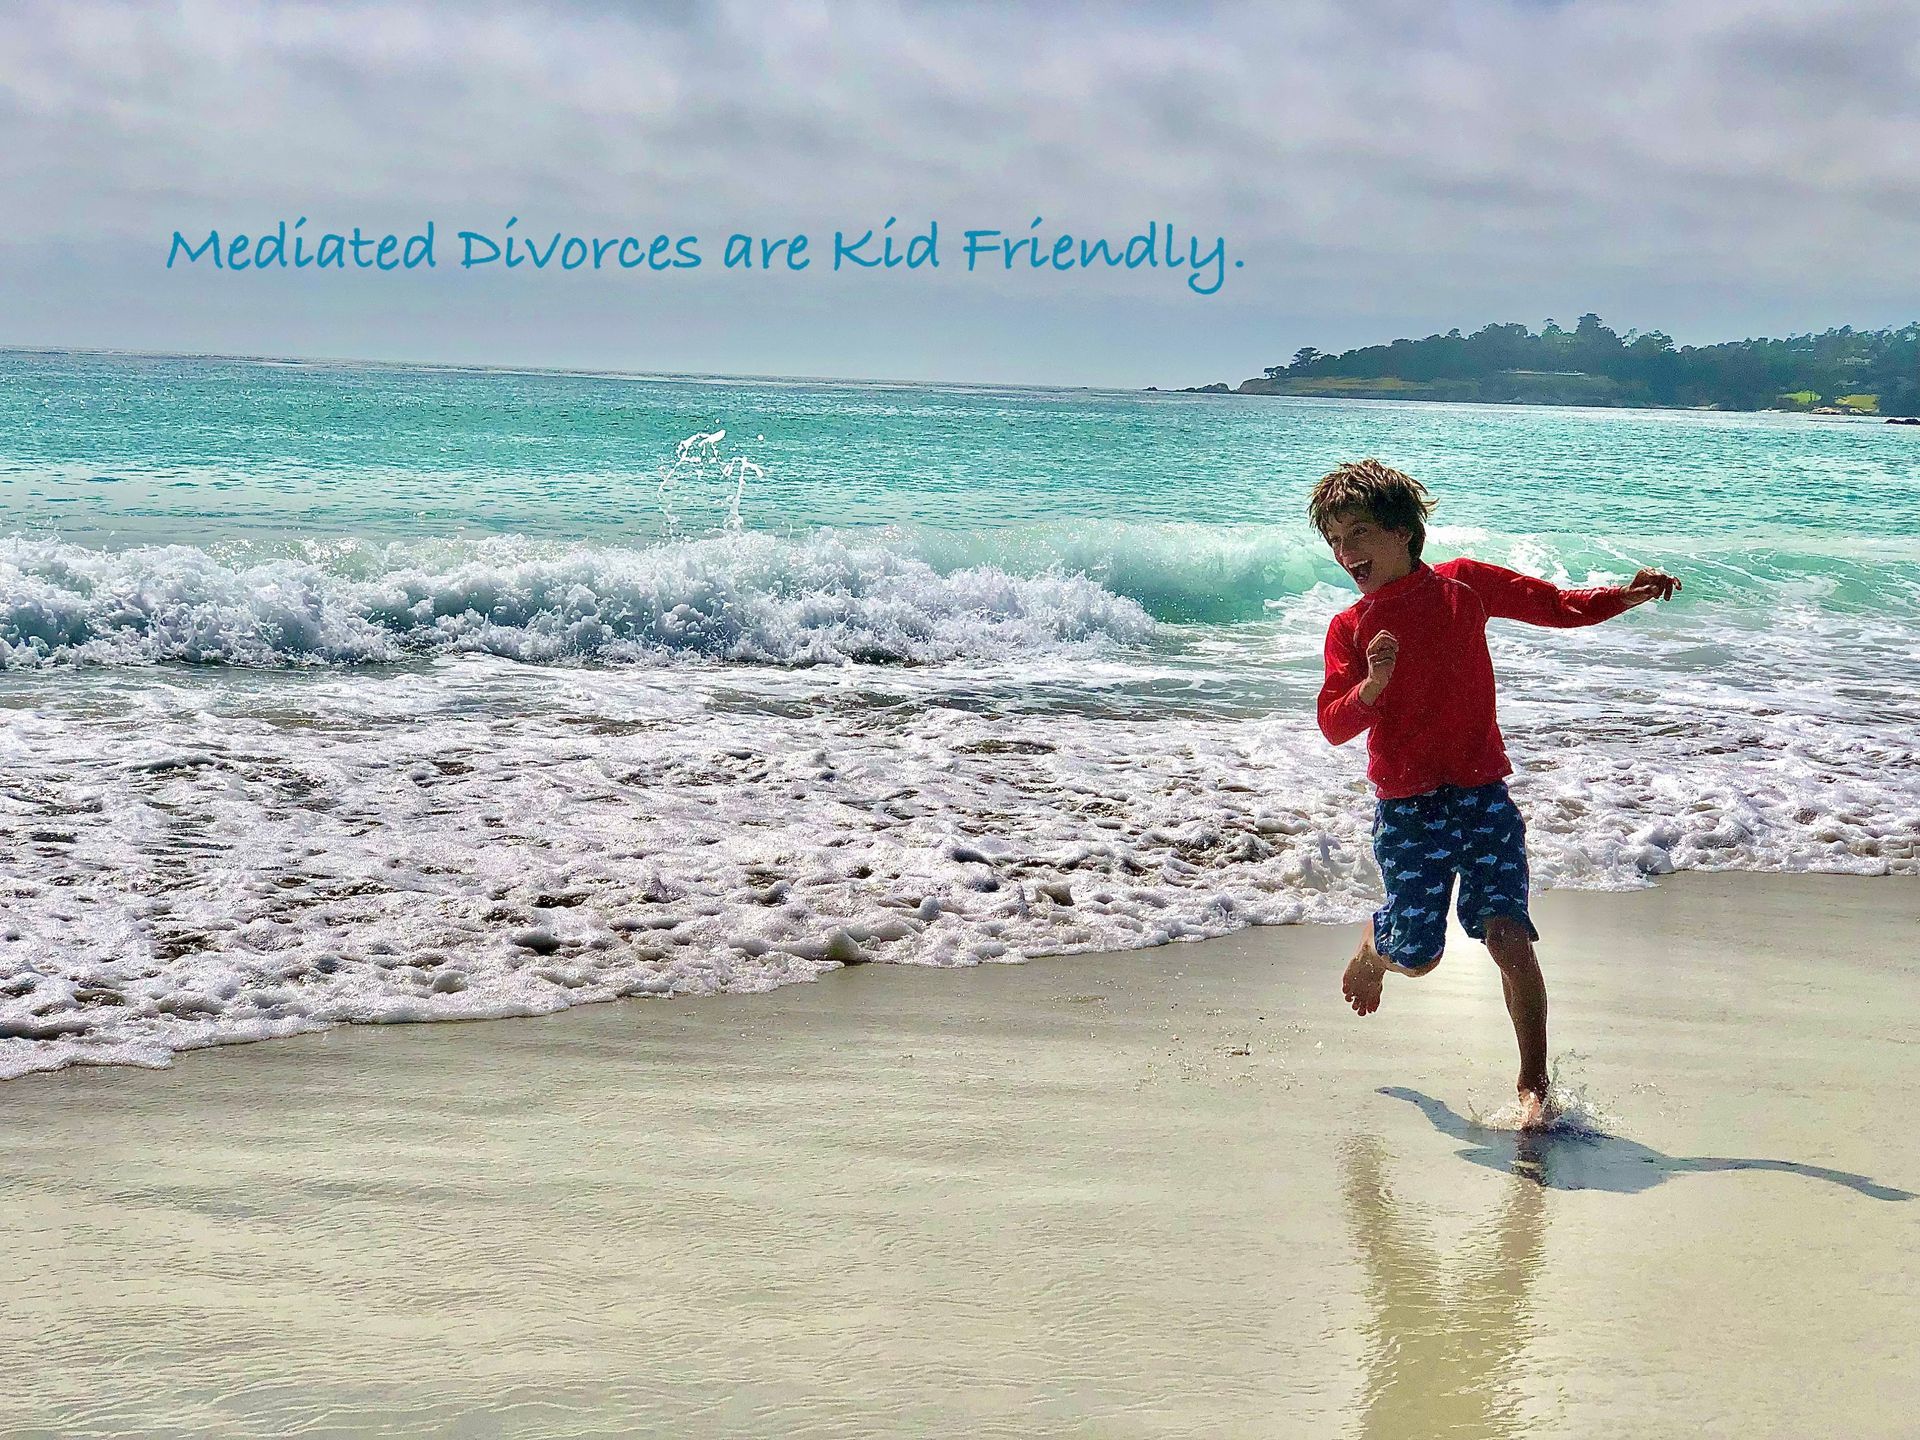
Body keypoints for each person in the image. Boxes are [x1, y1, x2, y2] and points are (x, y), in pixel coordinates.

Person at [1310, 459, 1680, 1128]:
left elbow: (1554, 605)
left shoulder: (1465, 586)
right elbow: (1333, 721)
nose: (1346, 553)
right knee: (1418, 957)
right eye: (1335, 540)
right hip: (1409, 809)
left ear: (1403, 531)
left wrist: (1623, 598)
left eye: (1358, 533)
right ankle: (1377, 944)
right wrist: (1372, 686)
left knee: (1510, 936)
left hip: (1483, 796)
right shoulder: (1351, 627)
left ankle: (1533, 1083)